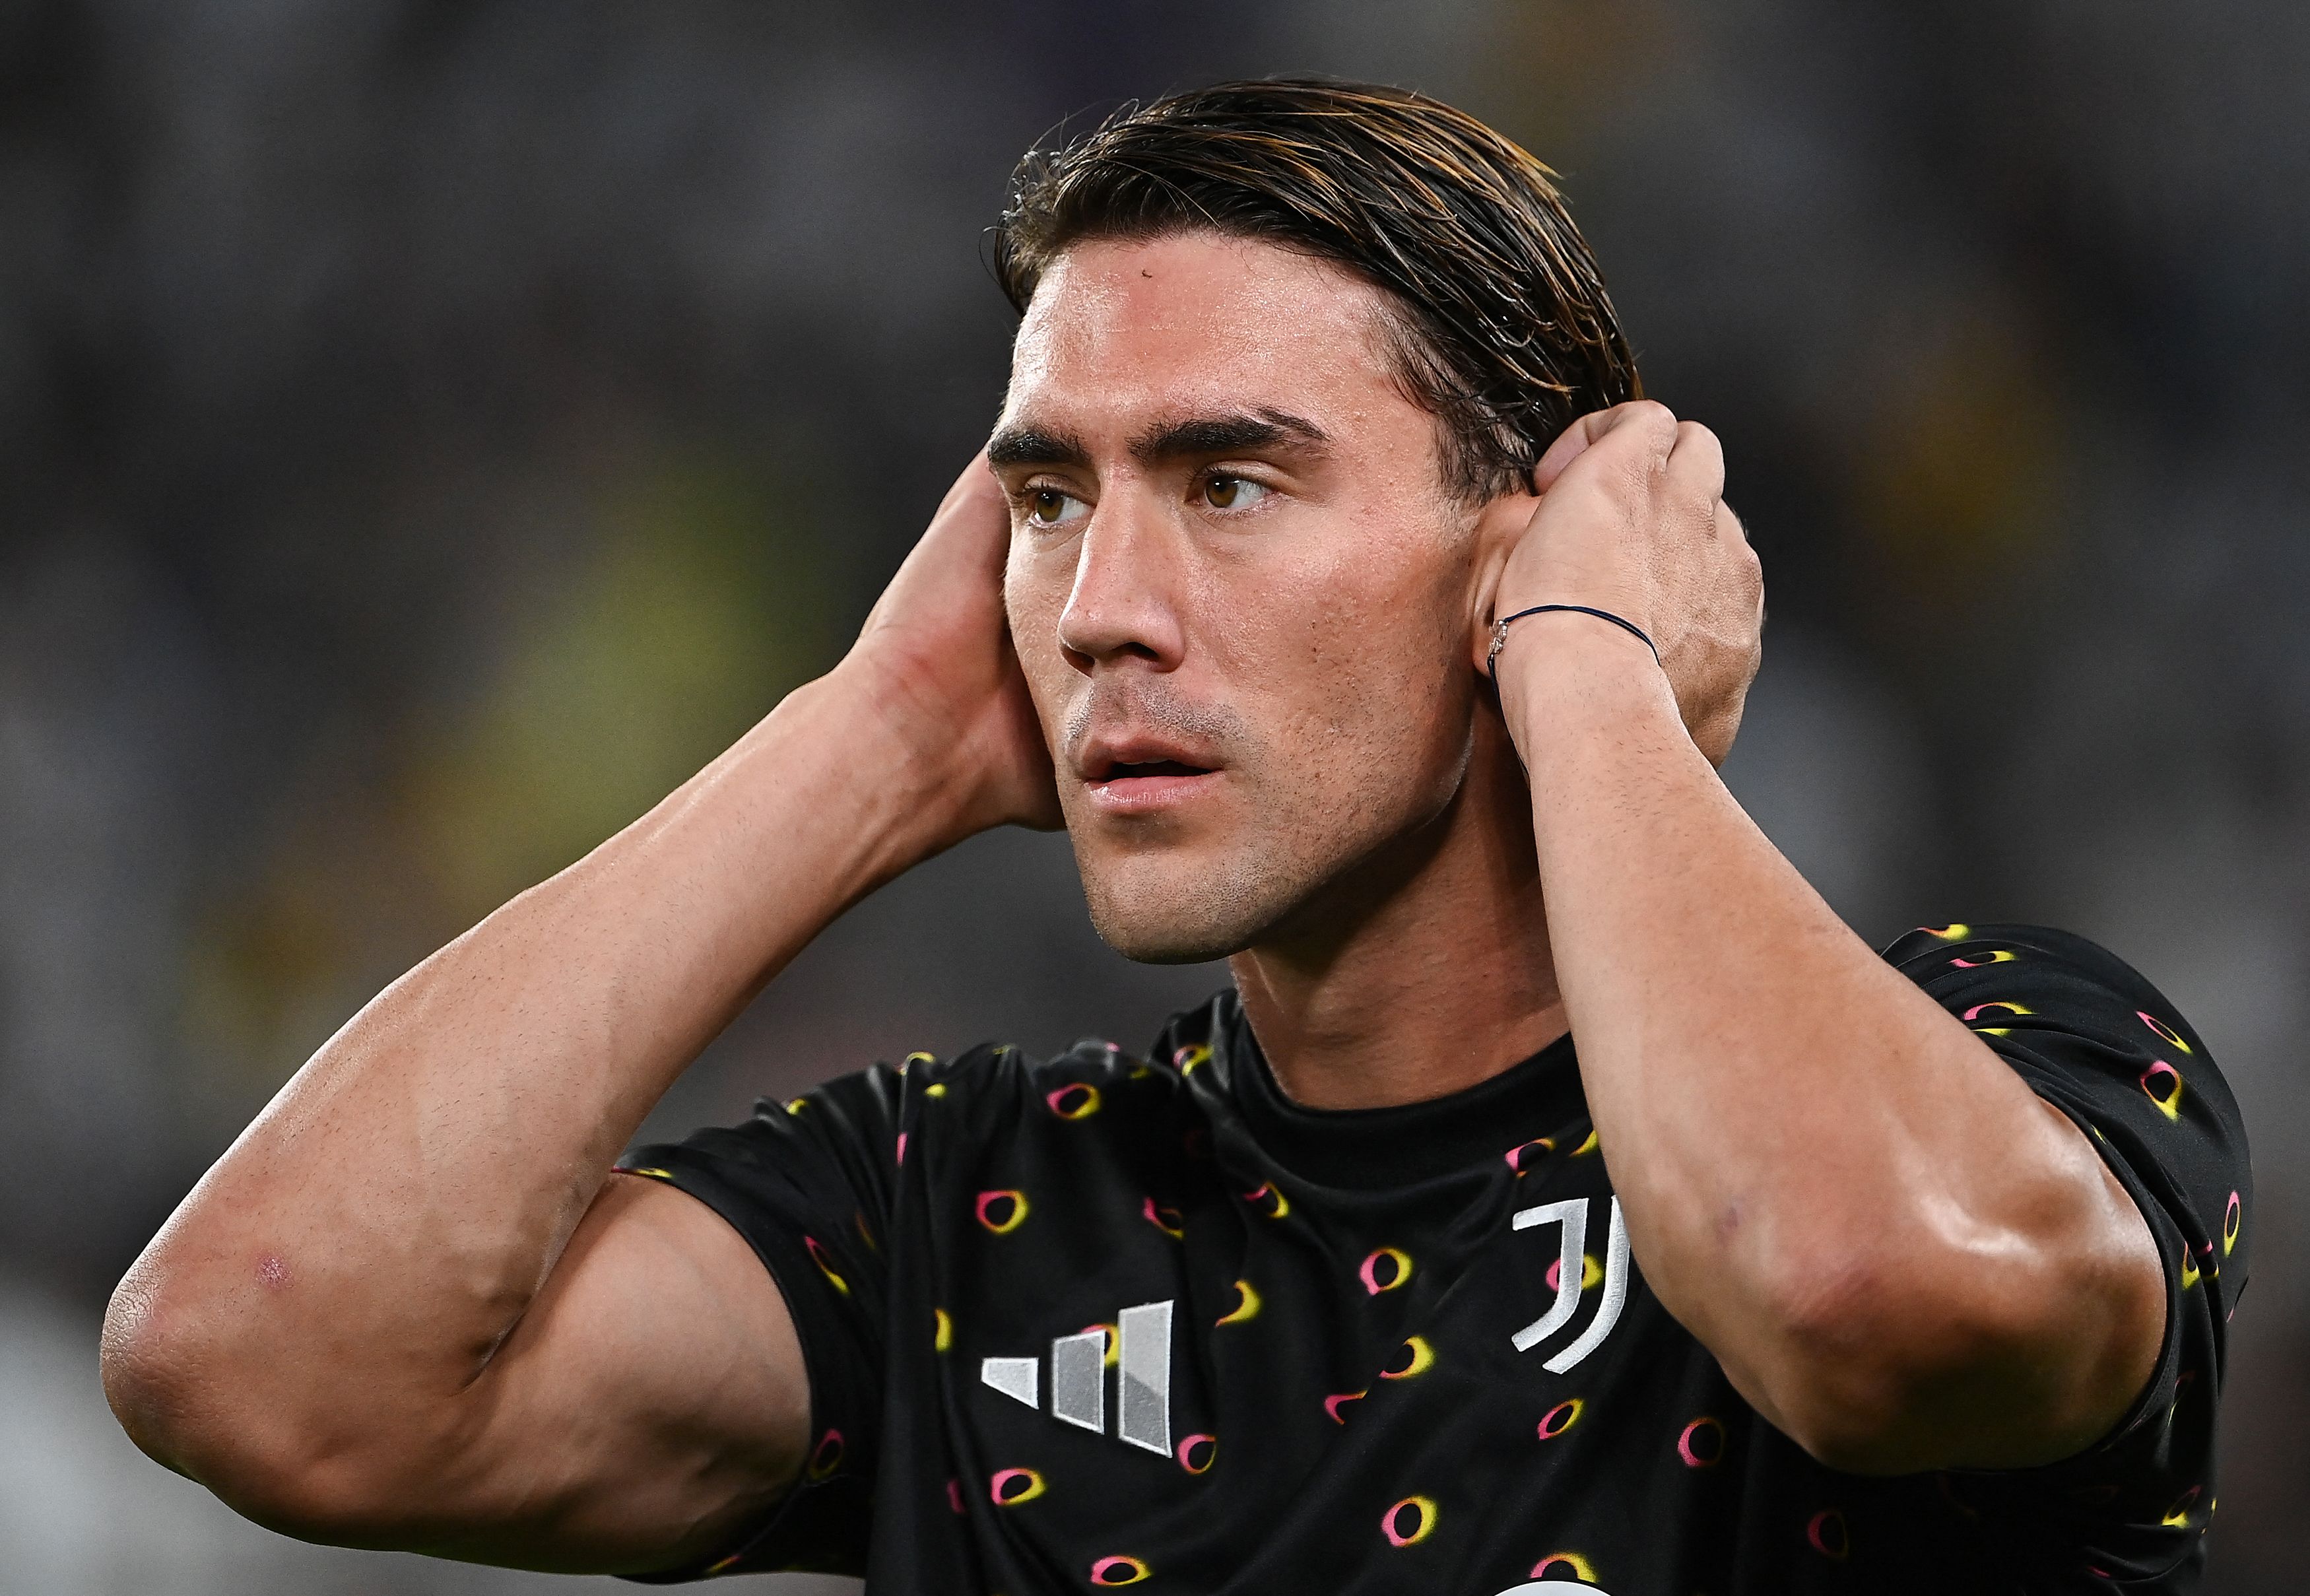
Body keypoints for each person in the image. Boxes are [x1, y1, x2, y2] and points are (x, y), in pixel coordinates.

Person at [100, 79, 2248, 1594]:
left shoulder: (2017, 1053)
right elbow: (262, 1356)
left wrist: (1588, 669)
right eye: (1049, 500)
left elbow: (1849, 1288)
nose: (1099, 605)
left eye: (1226, 480)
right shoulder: (967, 1215)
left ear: (1527, 545)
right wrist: (874, 737)